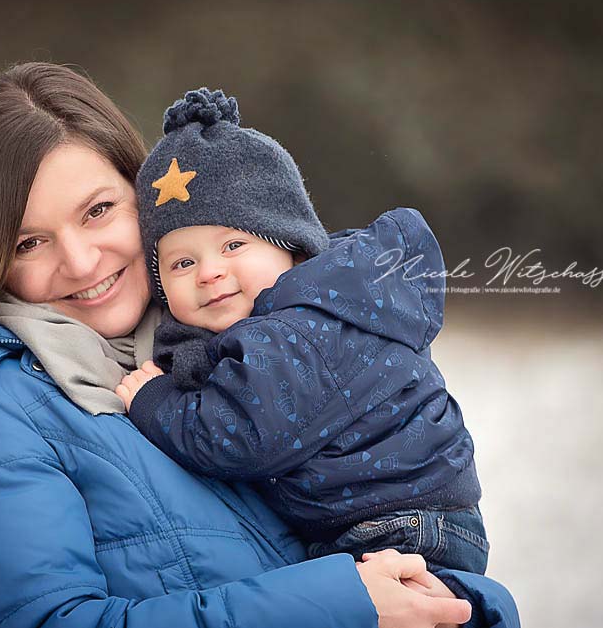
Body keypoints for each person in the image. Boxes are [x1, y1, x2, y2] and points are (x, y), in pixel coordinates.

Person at [0, 62, 518, 628]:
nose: (81, 261)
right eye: (29, 241)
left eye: (98, 210)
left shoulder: (225, 341)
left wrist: (458, 600)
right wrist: (344, 602)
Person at [115, 88, 487, 575]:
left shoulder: (295, 330)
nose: (209, 272)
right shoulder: (323, 305)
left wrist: (157, 402)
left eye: (233, 245)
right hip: (417, 516)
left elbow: (243, 437)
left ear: (291, 244)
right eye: (183, 262)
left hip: (396, 526)